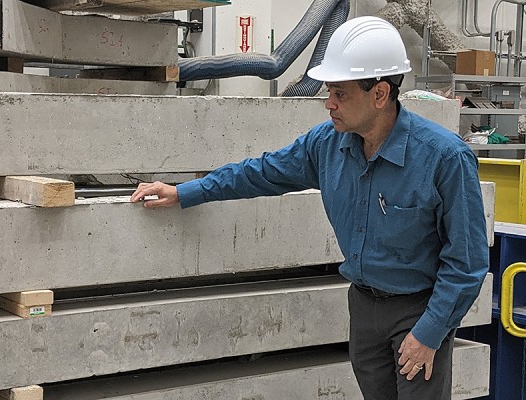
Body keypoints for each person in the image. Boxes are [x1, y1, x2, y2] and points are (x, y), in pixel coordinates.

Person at [131, 16, 489, 400]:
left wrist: (431, 331)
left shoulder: (443, 158)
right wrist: (186, 191)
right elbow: (261, 172)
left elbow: (466, 261)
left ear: (380, 94)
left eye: (340, 93)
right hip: (365, 308)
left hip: (418, 310)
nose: (328, 103)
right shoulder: (328, 145)